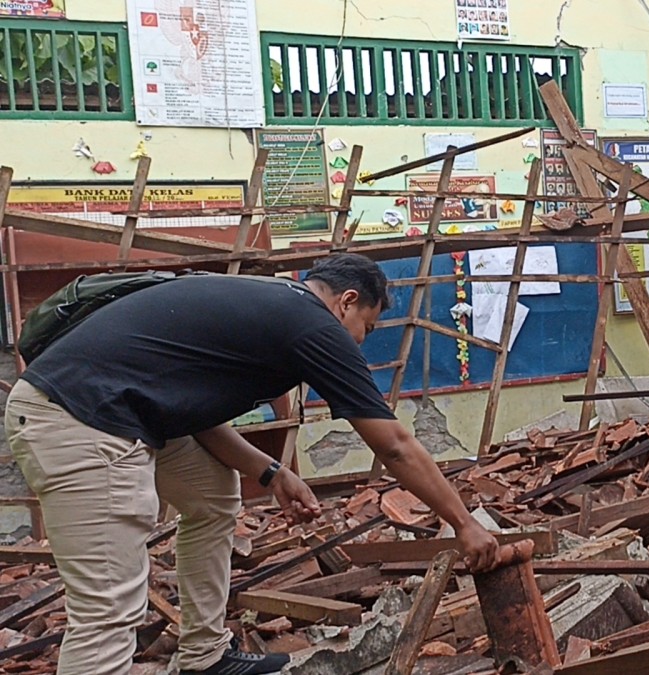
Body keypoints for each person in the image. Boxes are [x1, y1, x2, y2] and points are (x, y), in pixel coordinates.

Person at [5, 254, 500, 675]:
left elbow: (193, 413)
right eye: (365, 328)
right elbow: (392, 445)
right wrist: (463, 523)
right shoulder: (312, 324)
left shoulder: (272, 305)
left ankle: (205, 654)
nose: (359, 342)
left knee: (212, 495)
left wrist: (273, 472)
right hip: (80, 420)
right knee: (109, 607)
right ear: (347, 301)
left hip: (117, 411)